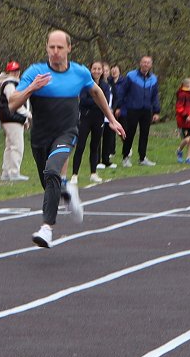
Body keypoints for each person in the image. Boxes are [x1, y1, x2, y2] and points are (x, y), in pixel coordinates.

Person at [10, 30, 125, 249]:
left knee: (53, 170)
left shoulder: (80, 72)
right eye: (51, 47)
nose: (55, 52)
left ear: (69, 49)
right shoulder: (35, 71)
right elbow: (13, 103)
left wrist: (111, 119)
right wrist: (32, 88)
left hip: (67, 132)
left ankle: (47, 228)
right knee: (49, 181)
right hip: (40, 135)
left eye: (60, 48)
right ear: (46, 48)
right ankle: (66, 189)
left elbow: (96, 92)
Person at [115, 55, 160, 166]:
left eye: (148, 63)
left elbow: (155, 96)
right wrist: (119, 107)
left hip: (146, 109)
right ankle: (125, 157)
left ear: (151, 65)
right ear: (140, 63)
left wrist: (156, 111)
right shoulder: (131, 76)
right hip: (133, 108)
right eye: (144, 62)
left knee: (144, 133)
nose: (146, 64)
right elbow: (122, 92)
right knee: (130, 133)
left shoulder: (153, 78)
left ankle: (142, 158)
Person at [70, 60, 106, 184]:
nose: (96, 71)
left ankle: (93, 173)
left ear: (102, 71)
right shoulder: (85, 84)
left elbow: (106, 102)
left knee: (95, 146)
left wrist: (99, 102)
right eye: (94, 68)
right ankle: (74, 174)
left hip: (99, 119)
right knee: (80, 146)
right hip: (85, 118)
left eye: (99, 69)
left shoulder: (105, 85)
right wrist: (97, 101)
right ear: (90, 70)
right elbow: (83, 101)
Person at [0, 60, 30, 182]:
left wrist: (25, 118)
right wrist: (28, 115)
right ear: (9, 72)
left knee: (10, 146)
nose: (16, 73)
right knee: (17, 146)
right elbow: (15, 102)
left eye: (17, 70)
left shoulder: (13, 83)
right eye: (13, 71)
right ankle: (14, 172)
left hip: (10, 117)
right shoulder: (10, 84)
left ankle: (6, 172)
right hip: (12, 117)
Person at [101, 64, 122, 168]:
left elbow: (116, 97)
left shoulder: (111, 83)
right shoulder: (97, 84)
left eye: (107, 70)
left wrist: (113, 108)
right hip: (100, 114)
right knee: (98, 139)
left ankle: (106, 160)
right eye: (103, 70)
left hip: (109, 115)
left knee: (108, 138)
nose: (105, 72)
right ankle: (96, 161)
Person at [175, 78, 190, 164]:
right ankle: (179, 150)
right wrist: (185, 115)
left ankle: (188, 157)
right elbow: (179, 107)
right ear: (187, 86)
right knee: (186, 139)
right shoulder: (182, 95)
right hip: (183, 121)